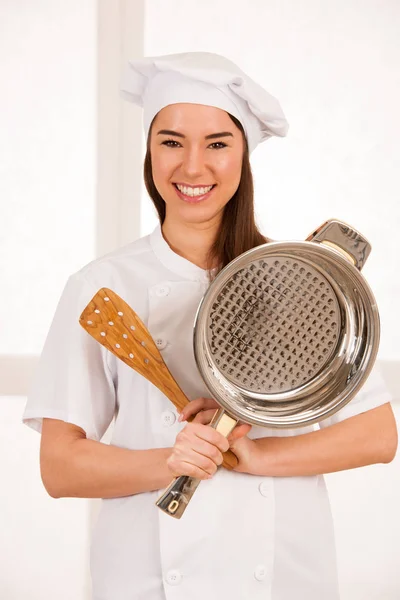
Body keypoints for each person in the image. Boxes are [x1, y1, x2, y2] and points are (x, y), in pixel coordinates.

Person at [23, 52, 397, 600]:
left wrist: (259, 456)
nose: (192, 167)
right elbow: (60, 468)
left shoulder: (299, 281)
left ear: (243, 158)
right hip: (143, 578)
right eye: (171, 142)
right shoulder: (102, 287)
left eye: (217, 144)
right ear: (149, 152)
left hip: (284, 575)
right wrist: (170, 461)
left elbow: (377, 435)